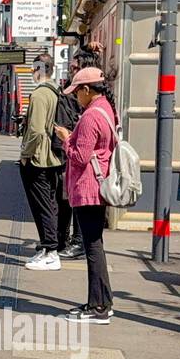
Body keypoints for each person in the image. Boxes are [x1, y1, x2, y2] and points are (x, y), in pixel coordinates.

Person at [54, 66, 118, 323]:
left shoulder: (91, 116)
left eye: (76, 92)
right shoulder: (106, 109)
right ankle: (102, 301)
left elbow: (80, 156)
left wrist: (66, 138)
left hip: (89, 188)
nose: (74, 98)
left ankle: (98, 308)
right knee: (96, 246)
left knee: (92, 248)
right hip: (98, 186)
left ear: (86, 90)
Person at [20, 59, 70, 271]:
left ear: (40, 70)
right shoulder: (56, 91)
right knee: (50, 202)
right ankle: (48, 248)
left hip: (39, 159)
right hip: (54, 157)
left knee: (42, 205)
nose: (32, 72)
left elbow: (37, 130)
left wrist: (25, 154)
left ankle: (50, 251)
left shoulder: (40, 94)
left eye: (33, 68)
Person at [55, 43, 103, 260]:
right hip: (72, 154)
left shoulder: (90, 104)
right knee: (65, 199)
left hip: (79, 156)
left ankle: (76, 242)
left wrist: (66, 139)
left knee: (72, 201)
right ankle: (64, 240)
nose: (71, 70)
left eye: (75, 68)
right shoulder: (75, 93)